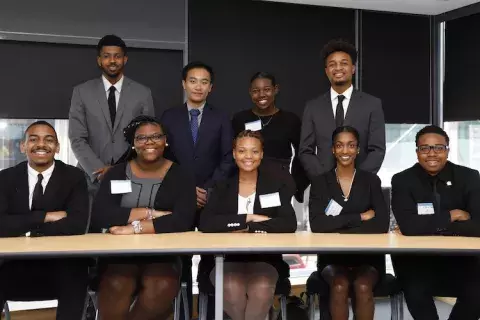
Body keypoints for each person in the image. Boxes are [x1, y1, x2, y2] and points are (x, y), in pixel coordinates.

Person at [89, 115, 196, 320]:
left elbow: (183, 220)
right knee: (116, 284)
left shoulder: (181, 176)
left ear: (166, 141)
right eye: (141, 138)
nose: (149, 142)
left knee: (161, 285)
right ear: (133, 144)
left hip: (164, 254)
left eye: (156, 137)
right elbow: (101, 215)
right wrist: (149, 214)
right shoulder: (116, 173)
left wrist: (133, 227)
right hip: (119, 254)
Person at [160, 61, 234, 317]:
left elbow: (228, 157)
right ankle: (178, 313)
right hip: (178, 199)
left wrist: (208, 190)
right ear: (183, 84)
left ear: (211, 87)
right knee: (177, 260)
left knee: (211, 261)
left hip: (211, 199)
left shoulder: (221, 117)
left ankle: (210, 312)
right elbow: (163, 158)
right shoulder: (168, 117)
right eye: (193, 80)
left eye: (204, 82)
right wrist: (186, 190)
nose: (198, 86)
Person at [199, 130, 297, 320]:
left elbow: (288, 223)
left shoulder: (274, 186)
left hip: (266, 260)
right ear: (234, 154)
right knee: (232, 288)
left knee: (261, 289)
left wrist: (246, 228)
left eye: (254, 151)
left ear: (261, 154)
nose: (248, 157)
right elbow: (207, 222)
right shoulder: (222, 186)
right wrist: (248, 218)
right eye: (242, 151)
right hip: (225, 260)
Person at [0, 121, 89, 320]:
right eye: (33, 139)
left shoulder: (74, 177)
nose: (41, 144)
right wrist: (44, 216)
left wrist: (24, 227)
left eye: (49, 140)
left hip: (61, 264)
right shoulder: (5, 178)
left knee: (77, 273)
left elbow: (76, 224)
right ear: (23, 146)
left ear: (57, 148)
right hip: (13, 265)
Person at [391, 125, 480, 320]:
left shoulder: (470, 178)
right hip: (418, 262)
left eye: (439, 148)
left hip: (462, 261)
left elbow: (478, 226)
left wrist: (430, 227)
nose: (432, 154)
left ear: (447, 150)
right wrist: (452, 215)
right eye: (425, 148)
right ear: (417, 152)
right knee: (415, 290)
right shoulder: (402, 181)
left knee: (477, 292)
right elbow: (409, 227)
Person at [309, 126, 389, 320]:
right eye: (340, 145)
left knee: (362, 285)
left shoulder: (371, 181)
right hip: (332, 258)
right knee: (339, 285)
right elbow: (318, 225)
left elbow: (381, 224)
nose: (345, 151)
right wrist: (360, 217)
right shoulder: (320, 182)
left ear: (358, 149)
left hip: (368, 258)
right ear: (333, 149)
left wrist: (336, 225)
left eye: (351, 145)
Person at [69, 34, 155, 203]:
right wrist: (100, 170)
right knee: (90, 227)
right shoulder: (81, 92)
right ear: (99, 60)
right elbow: (77, 138)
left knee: (126, 226)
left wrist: (123, 170)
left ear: (125, 59)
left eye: (117, 56)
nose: (112, 61)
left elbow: (147, 139)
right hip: (91, 178)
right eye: (106, 56)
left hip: (131, 176)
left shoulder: (143, 93)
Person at [299, 39, 385, 181]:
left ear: (353, 68)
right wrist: (323, 179)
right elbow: (305, 151)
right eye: (332, 64)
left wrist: (357, 180)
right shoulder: (313, 107)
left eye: (344, 63)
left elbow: (377, 150)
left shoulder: (372, 104)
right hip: (323, 185)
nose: (338, 68)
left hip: (361, 186)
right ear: (326, 71)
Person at [232, 71, 308, 203]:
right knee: (249, 219)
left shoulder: (290, 120)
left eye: (267, 89)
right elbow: (232, 153)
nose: (261, 95)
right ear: (250, 92)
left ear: (275, 89)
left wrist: (296, 185)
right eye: (256, 91)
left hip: (280, 183)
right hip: (247, 183)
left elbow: (302, 154)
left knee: (275, 220)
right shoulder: (240, 119)